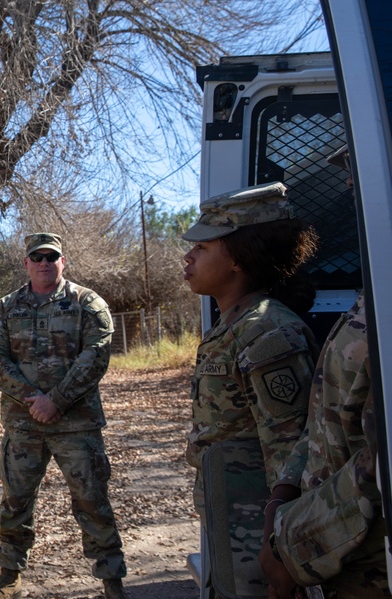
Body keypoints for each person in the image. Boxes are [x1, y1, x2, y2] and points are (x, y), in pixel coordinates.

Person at [259, 146, 390, 598]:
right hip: (342, 557)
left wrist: (292, 545)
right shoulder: (379, 283)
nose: (350, 185)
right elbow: (327, 424)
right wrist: (285, 495)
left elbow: (381, 461)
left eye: (361, 170)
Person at [181, 182, 319, 596]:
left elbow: (291, 448)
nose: (188, 256)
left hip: (258, 528)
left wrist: (277, 545)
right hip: (232, 516)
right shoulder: (234, 324)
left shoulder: (267, 332)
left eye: (203, 248)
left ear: (238, 258)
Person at [0, 233, 128, 599]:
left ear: (63, 261)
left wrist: (57, 401)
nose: (45, 263)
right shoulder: (5, 307)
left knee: (92, 499)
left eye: (52, 257)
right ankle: (9, 575)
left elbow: (96, 355)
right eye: (38, 257)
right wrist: (34, 399)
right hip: (24, 424)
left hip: (76, 425)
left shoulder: (87, 303)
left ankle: (112, 580)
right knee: (16, 500)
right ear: (26, 263)